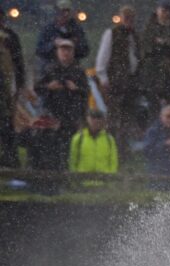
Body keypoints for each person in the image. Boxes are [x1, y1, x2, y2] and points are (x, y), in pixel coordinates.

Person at [35, 38, 89, 171]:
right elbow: (37, 88)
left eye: (68, 50)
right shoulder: (49, 69)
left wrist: (76, 89)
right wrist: (49, 87)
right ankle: (53, 175)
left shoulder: (79, 71)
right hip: (53, 113)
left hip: (72, 116)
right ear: (58, 52)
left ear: (73, 52)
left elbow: (86, 92)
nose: (65, 53)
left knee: (69, 148)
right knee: (52, 148)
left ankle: (67, 176)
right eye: (63, 50)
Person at [95, 5, 141, 160]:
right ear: (120, 17)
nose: (128, 21)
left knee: (127, 120)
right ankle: (110, 151)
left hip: (130, 83)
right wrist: (103, 78)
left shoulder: (134, 35)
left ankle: (123, 152)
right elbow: (102, 58)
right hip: (115, 83)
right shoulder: (112, 33)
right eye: (126, 17)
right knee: (113, 119)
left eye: (131, 18)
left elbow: (136, 57)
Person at [141, 1, 170, 118]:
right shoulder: (150, 28)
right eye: (163, 10)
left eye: (168, 11)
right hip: (154, 75)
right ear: (158, 11)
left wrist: (163, 42)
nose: (166, 13)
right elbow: (148, 48)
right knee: (154, 111)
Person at [0, 6, 25, 167]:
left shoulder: (10, 37)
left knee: (7, 124)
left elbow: (18, 63)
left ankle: (11, 163)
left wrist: (20, 84)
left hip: (6, 89)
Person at [35, 0, 90, 69]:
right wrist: (53, 44)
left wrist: (75, 44)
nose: (65, 14)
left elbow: (85, 51)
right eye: (61, 12)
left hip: (73, 69)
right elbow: (39, 50)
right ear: (56, 12)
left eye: (67, 11)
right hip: (50, 69)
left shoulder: (76, 29)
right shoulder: (48, 29)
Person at [69, 109, 118, 175]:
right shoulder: (78, 138)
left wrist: (111, 180)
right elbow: (72, 162)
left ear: (103, 120)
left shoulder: (109, 139)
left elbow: (113, 162)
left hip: (104, 182)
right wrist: (75, 181)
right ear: (87, 119)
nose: (96, 120)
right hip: (82, 181)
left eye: (99, 118)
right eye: (93, 117)